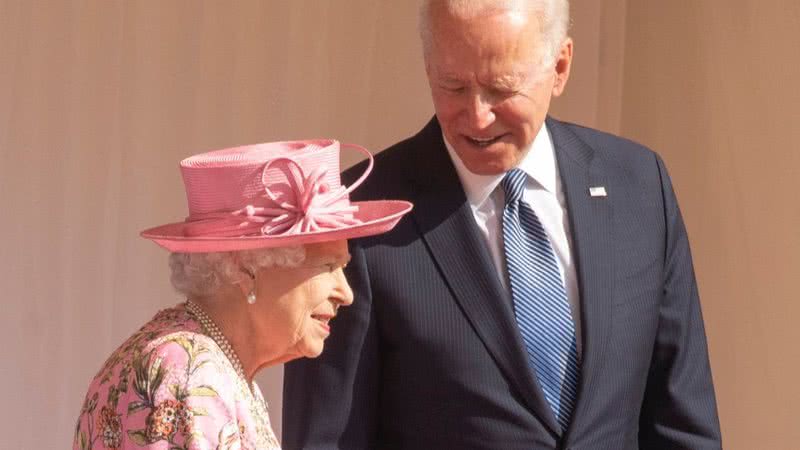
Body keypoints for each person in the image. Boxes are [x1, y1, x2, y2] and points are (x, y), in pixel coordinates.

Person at [282, 1, 722, 449]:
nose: (477, 117)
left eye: (501, 88)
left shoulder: (637, 186)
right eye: (453, 86)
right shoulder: (360, 215)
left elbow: (682, 421)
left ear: (560, 67)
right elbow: (326, 438)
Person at [72, 140, 412, 449]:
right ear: (245, 269)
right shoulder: (190, 375)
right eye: (327, 267)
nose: (346, 293)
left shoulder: (209, 361)